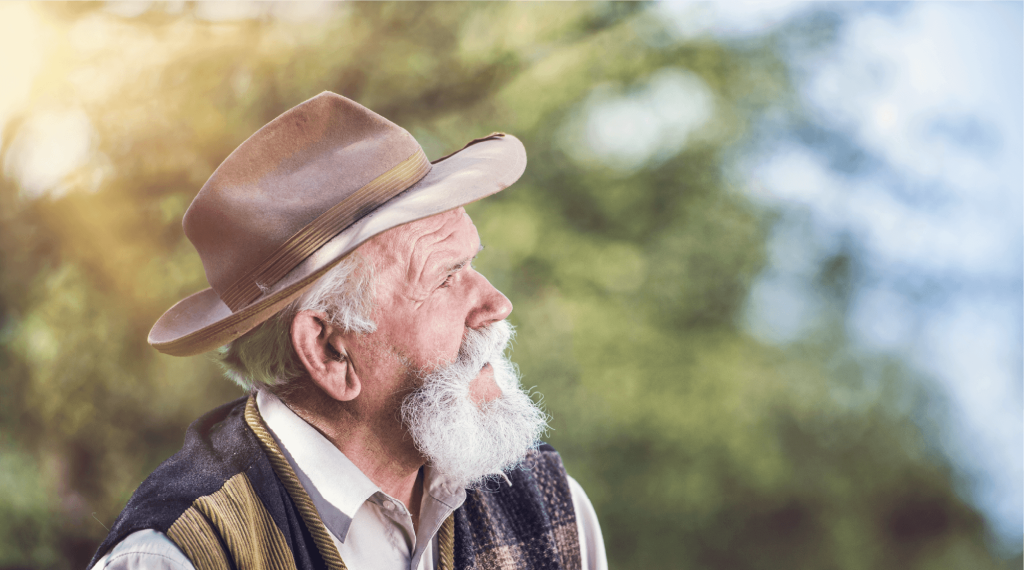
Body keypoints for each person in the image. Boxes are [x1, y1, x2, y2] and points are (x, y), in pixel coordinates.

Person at [88, 92, 607, 570]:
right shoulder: (180, 557)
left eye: (470, 263)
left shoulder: (551, 506)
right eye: (446, 277)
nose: (496, 304)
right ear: (329, 349)